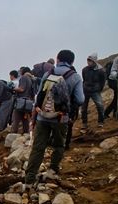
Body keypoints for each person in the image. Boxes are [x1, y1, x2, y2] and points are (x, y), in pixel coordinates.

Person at [25, 50, 84, 186]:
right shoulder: (75, 77)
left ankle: (30, 177)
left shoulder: (48, 73)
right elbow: (81, 99)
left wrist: (35, 115)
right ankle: (52, 170)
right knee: (58, 145)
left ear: (57, 59)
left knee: (38, 147)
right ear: (72, 62)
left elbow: (39, 94)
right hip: (60, 118)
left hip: (42, 116)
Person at [81, 53, 106, 129]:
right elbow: (84, 79)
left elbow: (103, 82)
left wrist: (99, 89)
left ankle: (101, 121)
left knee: (100, 105)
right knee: (83, 108)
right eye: (88, 60)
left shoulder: (101, 71)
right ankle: (84, 123)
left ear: (94, 61)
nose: (88, 62)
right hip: (85, 90)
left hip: (95, 91)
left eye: (90, 61)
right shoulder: (84, 69)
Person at [11, 67, 35, 133]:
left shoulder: (24, 77)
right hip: (28, 102)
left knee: (16, 118)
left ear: (23, 72)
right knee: (25, 119)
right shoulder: (31, 79)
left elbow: (21, 89)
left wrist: (13, 88)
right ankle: (25, 133)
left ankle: (14, 132)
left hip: (21, 101)